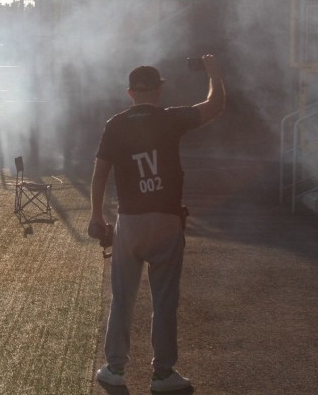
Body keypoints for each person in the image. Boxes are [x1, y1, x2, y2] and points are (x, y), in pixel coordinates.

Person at [90, 56, 224, 392]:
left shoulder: (115, 124)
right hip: (165, 219)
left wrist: (96, 214)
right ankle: (163, 375)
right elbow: (215, 105)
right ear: (159, 90)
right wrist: (213, 71)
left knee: (123, 298)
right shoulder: (169, 118)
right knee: (164, 301)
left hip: (130, 221)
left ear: (130, 92)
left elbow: (100, 172)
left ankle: (114, 369)